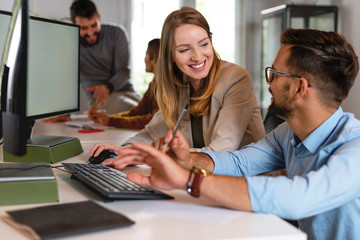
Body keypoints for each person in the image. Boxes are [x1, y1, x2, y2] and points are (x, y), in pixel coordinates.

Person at [103, 28, 360, 240]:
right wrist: (186, 160)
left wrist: (187, 180)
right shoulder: (288, 134)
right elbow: (241, 161)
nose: (268, 82)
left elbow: (298, 197)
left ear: (299, 88)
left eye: (274, 74)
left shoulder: (354, 148)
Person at [90, 7, 265, 160]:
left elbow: (220, 153)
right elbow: (150, 133)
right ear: (171, 56)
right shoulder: (180, 84)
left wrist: (149, 156)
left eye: (203, 44)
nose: (197, 56)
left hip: (249, 184)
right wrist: (124, 151)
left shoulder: (235, 79)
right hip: (205, 179)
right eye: (185, 49)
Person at [70, 0, 140, 114]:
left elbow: (123, 72)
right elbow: (68, 80)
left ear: (99, 18)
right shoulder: (70, 43)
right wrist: (64, 113)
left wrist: (107, 86)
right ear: (73, 24)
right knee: (131, 115)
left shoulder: (117, 33)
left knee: (149, 113)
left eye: (93, 25)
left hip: (127, 92)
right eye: (84, 28)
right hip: (100, 100)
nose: (90, 33)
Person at [88, 38, 160, 129]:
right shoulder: (154, 84)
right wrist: (107, 118)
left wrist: (111, 121)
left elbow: (151, 121)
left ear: (153, 60)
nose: (145, 59)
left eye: (146, 55)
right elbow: (136, 113)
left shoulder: (166, 87)